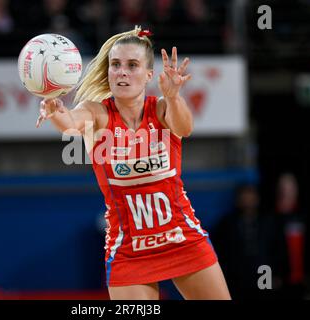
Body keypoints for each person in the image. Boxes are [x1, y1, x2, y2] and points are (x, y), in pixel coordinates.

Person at [35, 26, 231, 300]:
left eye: (132, 65)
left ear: (149, 75)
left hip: (181, 237)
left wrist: (174, 96)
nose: (122, 71)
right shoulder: (98, 113)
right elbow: (69, 124)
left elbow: (185, 128)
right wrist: (56, 111)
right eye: (115, 64)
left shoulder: (162, 108)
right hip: (129, 248)